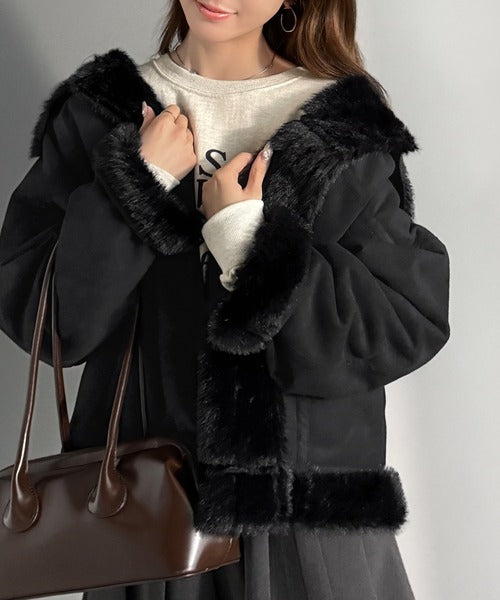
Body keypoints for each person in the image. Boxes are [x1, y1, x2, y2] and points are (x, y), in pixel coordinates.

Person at [0, 1, 451, 599]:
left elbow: (402, 318)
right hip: (148, 511)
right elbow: (48, 319)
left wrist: (247, 241)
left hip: (308, 519)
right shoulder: (99, 113)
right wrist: (135, 185)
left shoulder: (345, 128)